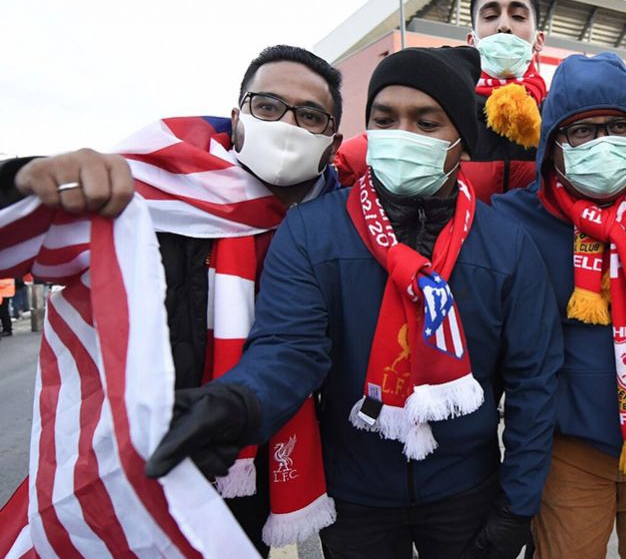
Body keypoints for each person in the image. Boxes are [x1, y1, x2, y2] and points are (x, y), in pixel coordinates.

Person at [144, 46, 564, 559]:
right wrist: (238, 401)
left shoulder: (507, 244)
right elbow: (289, 348)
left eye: (426, 122)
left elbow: (534, 381)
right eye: (385, 120)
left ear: (463, 144)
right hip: (354, 501)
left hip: (468, 494)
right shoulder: (313, 230)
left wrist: (516, 507)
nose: (402, 135)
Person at [0, 44, 344, 555]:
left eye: (310, 116)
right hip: (139, 452)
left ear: (332, 142)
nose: (288, 124)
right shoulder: (143, 190)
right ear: (238, 115)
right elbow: (22, 244)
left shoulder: (339, 221)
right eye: (268, 107)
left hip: (255, 456)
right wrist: (18, 184)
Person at [493, 52, 626, 558]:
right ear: (552, 144)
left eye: (618, 126)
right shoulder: (510, 220)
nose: (603, 142)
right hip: (568, 449)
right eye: (581, 132)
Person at [334, 0, 626, 201]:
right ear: (473, 39)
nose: (504, 24)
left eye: (517, 14)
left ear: (538, 39)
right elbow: (363, 150)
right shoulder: (446, 114)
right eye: (490, 14)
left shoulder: (560, 113)